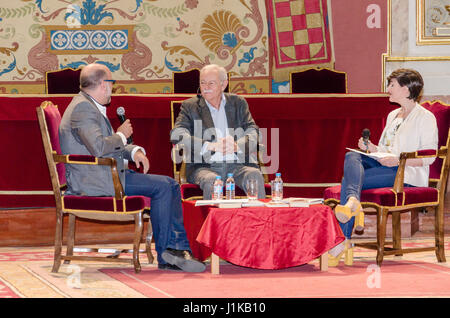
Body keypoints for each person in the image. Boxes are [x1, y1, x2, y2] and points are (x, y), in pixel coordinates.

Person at [59, 63, 205, 273]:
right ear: (103, 84)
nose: (112, 88)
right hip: (97, 180)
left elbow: (103, 145)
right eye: (111, 83)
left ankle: (173, 250)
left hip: (106, 173)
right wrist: (121, 135)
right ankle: (171, 251)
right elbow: (100, 147)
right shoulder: (83, 108)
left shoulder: (86, 104)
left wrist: (133, 150)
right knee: (166, 186)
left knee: (168, 185)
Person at [329, 68, 438, 266]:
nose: (388, 89)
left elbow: (430, 156)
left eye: (392, 85)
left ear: (406, 89)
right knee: (352, 155)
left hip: (406, 172)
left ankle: (343, 237)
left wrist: (398, 160)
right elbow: (386, 150)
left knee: (348, 180)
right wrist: (371, 148)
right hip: (386, 166)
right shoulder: (392, 116)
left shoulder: (425, 118)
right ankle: (353, 203)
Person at [170, 64, 266, 199]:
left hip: (237, 164)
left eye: (211, 83)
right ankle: (213, 220)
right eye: (202, 83)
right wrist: (208, 145)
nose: (206, 87)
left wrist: (237, 145)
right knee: (213, 181)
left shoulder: (238, 103)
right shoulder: (190, 106)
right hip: (204, 167)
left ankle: (258, 218)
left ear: (223, 84)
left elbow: (253, 131)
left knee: (254, 175)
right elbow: (177, 134)